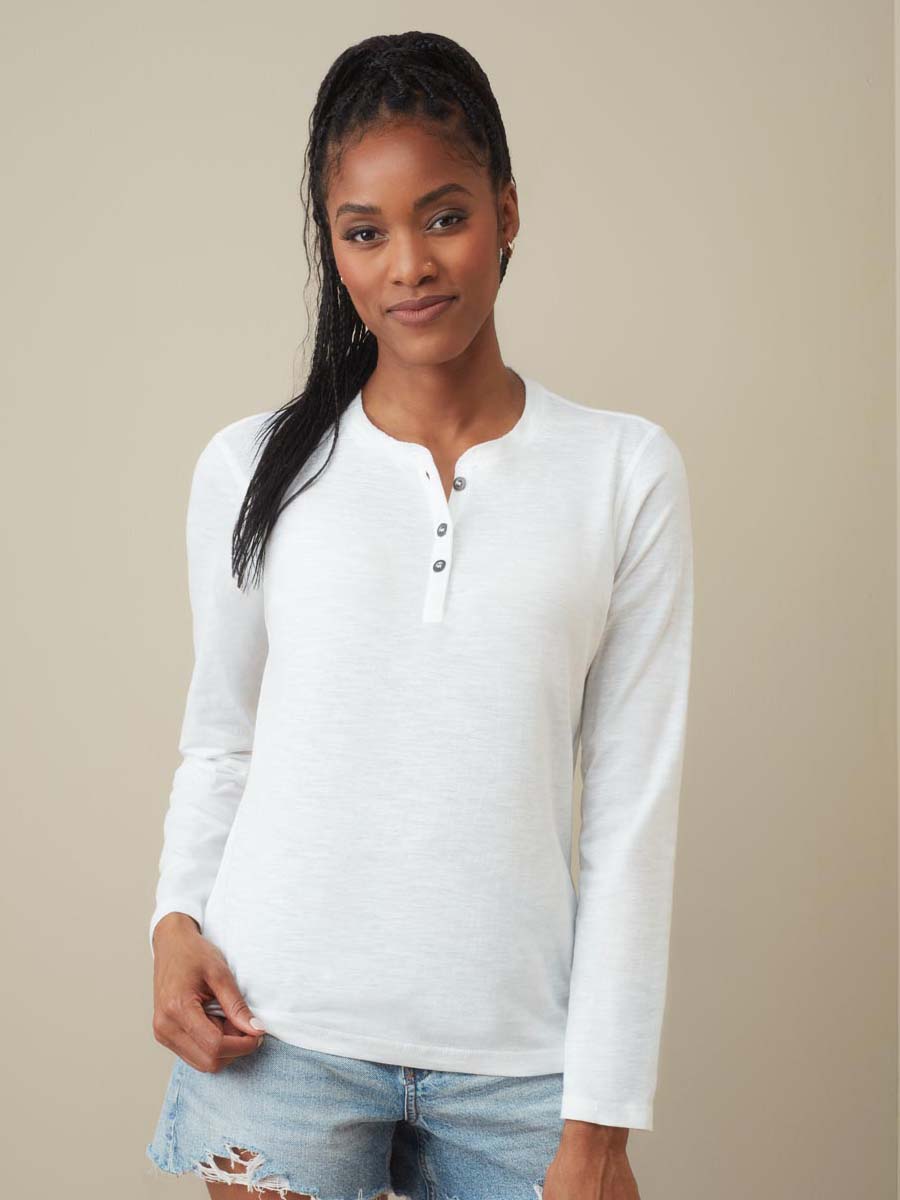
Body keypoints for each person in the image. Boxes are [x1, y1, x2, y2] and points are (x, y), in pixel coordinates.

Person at [145, 29, 694, 1200]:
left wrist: (601, 1119)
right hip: (276, 1037)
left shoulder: (622, 472)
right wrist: (173, 919)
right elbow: (221, 739)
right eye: (365, 232)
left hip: (521, 1059)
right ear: (332, 246)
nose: (409, 265)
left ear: (506, 211)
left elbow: (632, 818)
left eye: (444, 217)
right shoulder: (251, 468)